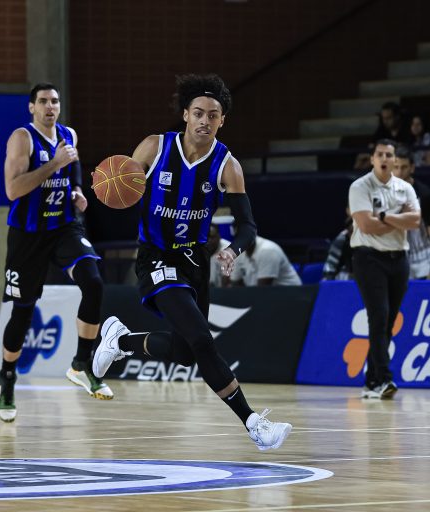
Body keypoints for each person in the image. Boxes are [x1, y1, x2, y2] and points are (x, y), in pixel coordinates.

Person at [91, 74, 291, 451]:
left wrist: (233, 249)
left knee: (185, 353)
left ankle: (121, 340)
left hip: (195, 262)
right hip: (156, 256)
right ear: (185, 114)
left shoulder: (227, 166)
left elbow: (247, 225)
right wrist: (112, 188)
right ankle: (254, 424)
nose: (204, 120)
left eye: (212, 115)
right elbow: (123, 184)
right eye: (198, 113)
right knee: (202, 339)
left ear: (222, 120)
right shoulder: (155, 147)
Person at [0, 82, 110, 422]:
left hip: (63, 228)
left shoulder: (69, 135)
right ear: (31, 107)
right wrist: (53, 164)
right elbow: (13, 190)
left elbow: (72, 175)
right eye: (43, 101)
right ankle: (7, 378)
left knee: (94, 282)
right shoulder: (22, 139)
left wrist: (77, 192)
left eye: (55, 101)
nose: (50, 106)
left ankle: (82, 363)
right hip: (28, 236)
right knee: (23, 312)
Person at [348, 139, 420, 399]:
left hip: (398, 258)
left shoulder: (404, 188)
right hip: (369, 258)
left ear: (394, 160)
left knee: (388, 321)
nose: (385, 159)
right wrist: (398, 218)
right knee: (379, 316)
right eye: (380, 154)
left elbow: (415, 220)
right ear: (372, 159)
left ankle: (371, 382)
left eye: (389, 155)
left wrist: (382, 217)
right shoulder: (360, 186)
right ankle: (384, 378)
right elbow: (366, 226)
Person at [392, 146, 430, 279]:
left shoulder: (425, 196)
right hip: (406, 259)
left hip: (428, 258)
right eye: (396, 167)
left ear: (412, 168)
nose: (399, 172)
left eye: (404, 167)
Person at [227, 235, 302, 286]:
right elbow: (236, 284)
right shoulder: (238, 251)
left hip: (292, 296)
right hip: (270, 296)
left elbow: (263, 289)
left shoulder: (268, 250)